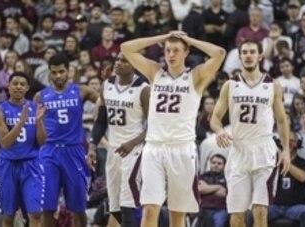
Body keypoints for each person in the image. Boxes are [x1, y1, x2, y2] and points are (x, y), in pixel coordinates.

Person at [121, 31, 226, 227]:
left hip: (182, 148)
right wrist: (161, 38)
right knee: (150, 208)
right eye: (168, 50)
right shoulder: (155, 72)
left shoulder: (196, 76)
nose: (171, 54)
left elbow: (219, 53)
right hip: (154, 147)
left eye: (176, 50)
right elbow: (126, 48)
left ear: (186, 52)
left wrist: (189, 39)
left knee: (177, 214)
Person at [210, 39, 291, 227]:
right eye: (244, 52)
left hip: (264, 150)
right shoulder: (230, 85)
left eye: (252, 52)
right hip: (239, 150)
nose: (248, 55)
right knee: (237, 217)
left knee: (260, 211)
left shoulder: (273, 85)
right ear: (239, 57)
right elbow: (215, 118)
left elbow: (281, 120)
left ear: (260, 56)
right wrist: (220, 130)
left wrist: (286, 150)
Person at [33, 54, 99, 227]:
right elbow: (39, 139)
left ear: (68, 71)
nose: (58, 76)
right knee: (47, 207)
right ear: (49, 73)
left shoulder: (81, 90)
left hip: (75, 150)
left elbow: (104, 103)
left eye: (61, 71)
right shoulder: (40, 97)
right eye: (54, 72)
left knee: (78, 208)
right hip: (49, 152)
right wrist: (38, 122)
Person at [87, 53, 150, 227]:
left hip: (133, 151)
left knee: (127, 205)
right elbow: (101, 121)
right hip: (113, 151)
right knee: (113, 207)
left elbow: (154, 126)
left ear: (135, 64)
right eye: (118, 60)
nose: (118, 63)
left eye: (124, 60)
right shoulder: (106, 85)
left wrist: (133, 143)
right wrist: (92, 146)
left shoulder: (143, 89)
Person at [0, 72, 46, 227]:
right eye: (15, 83)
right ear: (8, 86)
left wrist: (40, 122)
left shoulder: (36, 108)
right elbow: (5, 143)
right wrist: (21, 122)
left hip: (31, 165)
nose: (18, 87)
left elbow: (42, 141)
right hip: (7, 165)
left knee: (35, 214)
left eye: (22, 84)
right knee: (8, 216)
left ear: (27, 87)